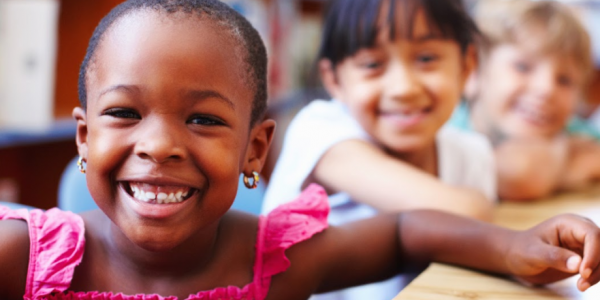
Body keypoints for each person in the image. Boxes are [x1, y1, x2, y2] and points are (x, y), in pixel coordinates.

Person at [1, 1, 600, 299]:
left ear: (254, 150)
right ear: (85, 136)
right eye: (124, 113)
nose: (158, 146)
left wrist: (516, 246)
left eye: (204, 119)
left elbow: (403, 232)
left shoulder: (267, 263)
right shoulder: (20, 257)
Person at [262, 0, 495, 297]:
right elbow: (464, 214)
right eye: (373, 64)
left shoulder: (469, 152)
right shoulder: (319, 131)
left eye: (426, 58)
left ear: (467, 66)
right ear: (334, 79)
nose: (403, 88)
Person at [450, 0, 600, 201]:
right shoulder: (444, 131)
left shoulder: (578, 131)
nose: (546, 89)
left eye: (565, 80)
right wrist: (568, 161)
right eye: (523, 67)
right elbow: (515, 174)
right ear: (473, 69)